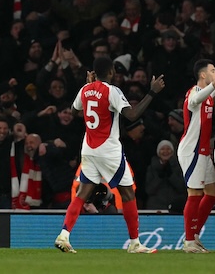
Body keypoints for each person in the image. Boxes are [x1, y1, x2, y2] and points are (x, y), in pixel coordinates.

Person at [54, 56, 165, 254]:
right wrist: (152, 92)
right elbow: (132, 115)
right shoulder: (112, 91)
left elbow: (74, 111)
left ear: (94, 72)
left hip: (89, 148)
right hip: (108, 149)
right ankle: (135, 243)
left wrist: (89, 87)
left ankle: (64, 234)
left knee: (82, 194)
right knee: (128, 193)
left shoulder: (85, 89)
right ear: (112, 72)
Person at [178, 59, 215, 253]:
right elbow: (193, 101)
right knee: (194, 193)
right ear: (203, 75)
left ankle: (195, 234)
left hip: (204, 152)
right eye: (213, 71)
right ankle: (189, 241)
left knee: (212, 192)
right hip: (192, 150)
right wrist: (214, 86)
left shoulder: (207, 95)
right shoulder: (194, 92)